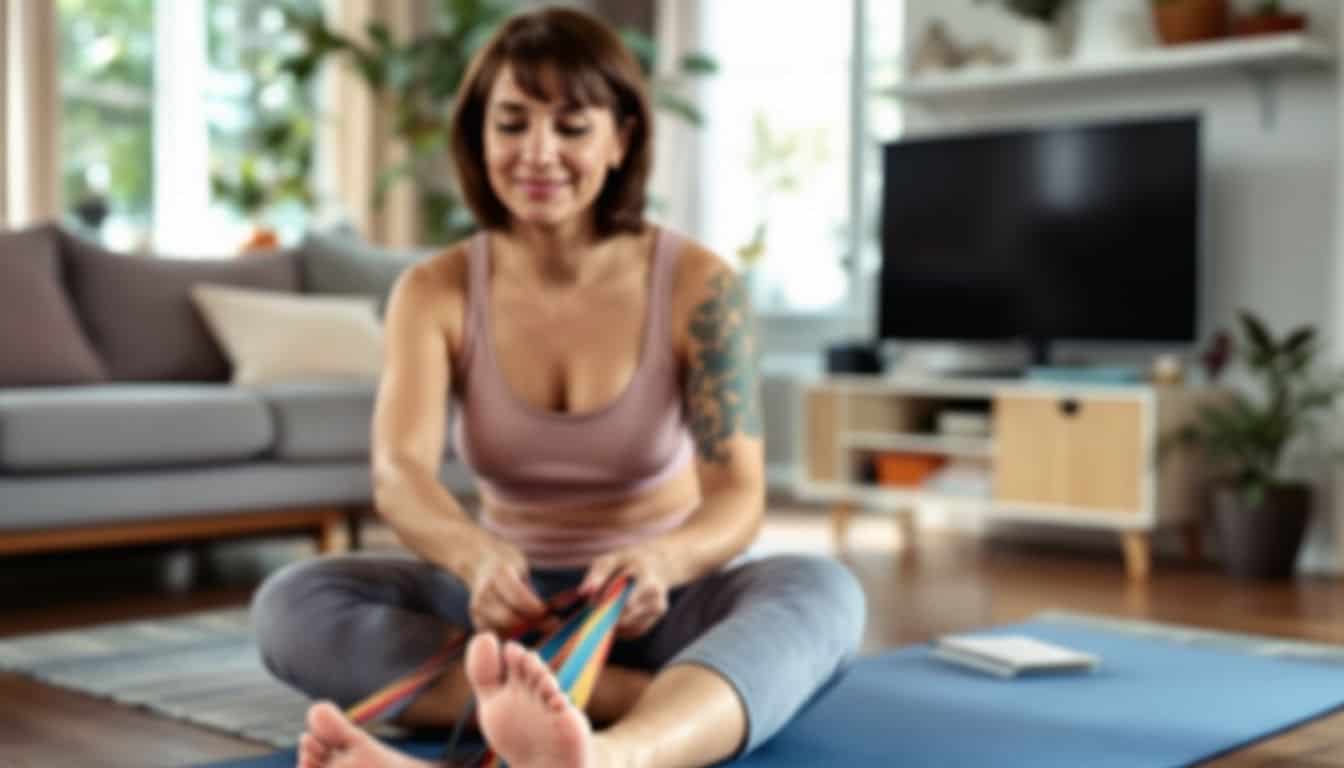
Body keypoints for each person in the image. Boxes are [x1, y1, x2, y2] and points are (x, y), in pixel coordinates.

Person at [251, 7, 866, 768]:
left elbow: (738, 493)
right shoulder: (434, 291)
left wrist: (663, 563)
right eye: (512, 123)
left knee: (823, 591)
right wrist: (475, 557)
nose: (538, 154)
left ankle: (606, 756)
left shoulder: (701, 286)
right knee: (291, 604)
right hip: (501, 614)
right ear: (479, 134)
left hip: (654, 606)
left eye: (572, 127)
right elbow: (399, 472)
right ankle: (638, 702)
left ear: (621, 139)